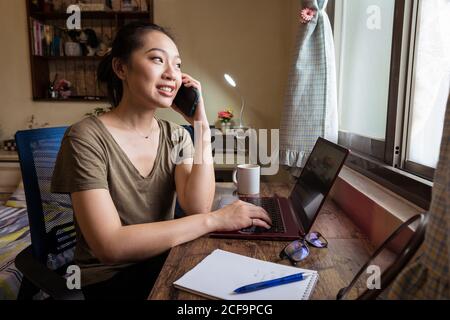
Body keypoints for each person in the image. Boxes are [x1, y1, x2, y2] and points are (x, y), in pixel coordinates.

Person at [51, 21, 272, 300]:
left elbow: (197, 205)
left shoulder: (176, 136)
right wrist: (215, 220)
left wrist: (201, 126)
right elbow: (110, 245)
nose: (172, 74)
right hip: (110, 279)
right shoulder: (85, 137)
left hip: (163, 260)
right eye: (157, 59)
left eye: (178, 65)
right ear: (121, 69)